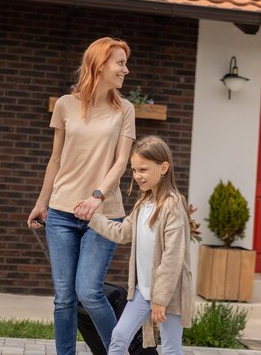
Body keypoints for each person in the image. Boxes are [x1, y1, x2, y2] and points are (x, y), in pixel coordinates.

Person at [27, 37, 136, 355]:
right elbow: (56, 159)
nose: (125, 70)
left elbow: (120, 161)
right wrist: (41, 202)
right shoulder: (65, 105)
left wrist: (97, 197)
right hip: (60, 212)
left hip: (103, 214)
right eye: (120, 63)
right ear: (100, 65)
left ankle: (117, 352)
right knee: (64, 297)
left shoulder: (124, 110)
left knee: (88, 291)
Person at [76, 136, 193, 355]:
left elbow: (172, 257)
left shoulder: (173, 205)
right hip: (143, 291)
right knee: (119, 338)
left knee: (170, 347)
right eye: (134, 170)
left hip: (169, 293)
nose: (137, 176)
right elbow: (122, 233)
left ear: (163, 168)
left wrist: (160, 300)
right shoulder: (143, 203)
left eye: (143, 170)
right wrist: (92, 217)